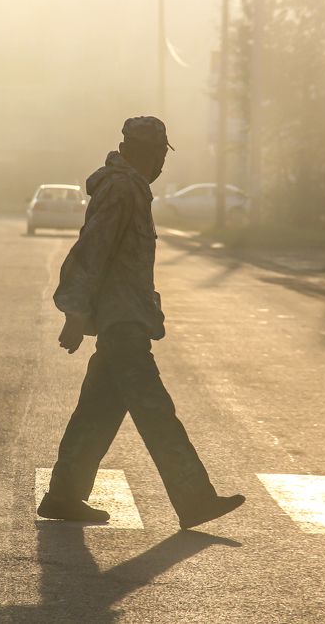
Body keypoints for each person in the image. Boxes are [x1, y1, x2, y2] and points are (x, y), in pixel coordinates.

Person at [37, 116, 245, 529]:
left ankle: (63, 496)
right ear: (144, 152)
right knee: (155, 410)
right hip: (121, 320)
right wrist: (75, 311)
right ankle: (195, 498)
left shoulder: (130, 188)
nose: (162, 166)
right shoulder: (121, 188)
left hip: (126, 315)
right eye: (159, 155)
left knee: (96, 412)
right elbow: (93, 247)